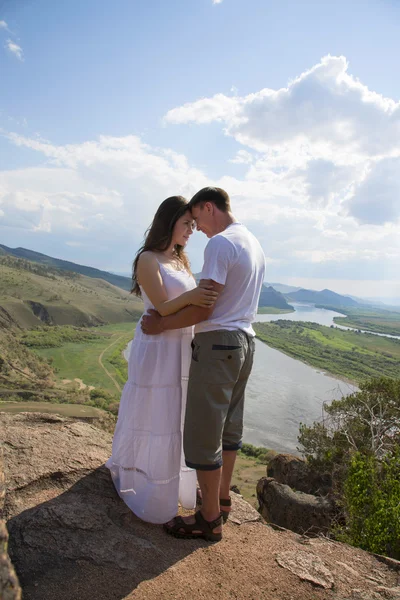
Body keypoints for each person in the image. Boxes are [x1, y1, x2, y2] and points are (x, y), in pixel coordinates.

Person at [141, 187, 266, 542]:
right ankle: (222, 499)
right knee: (229, 428)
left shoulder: (221, 243)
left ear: (208, 207)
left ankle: (208, 518)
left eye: (198, 220)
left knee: (203, 434)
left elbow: (206, 304)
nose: (199, 230)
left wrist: (162, 324)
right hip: (245, 343)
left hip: (218, 346)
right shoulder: (252, 242)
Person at [106, 196, 219, 524]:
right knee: (152, 413)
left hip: (179, 346)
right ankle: (142, 485)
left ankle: (170, 488)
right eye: (186, 224)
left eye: (194, 226)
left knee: (174, 416)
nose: (191, 231)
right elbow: (162, 308)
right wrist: (194, 296)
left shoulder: (180, 260)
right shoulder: (148, 259)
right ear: (168, 222)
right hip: (156, 347)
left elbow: (185, 307)